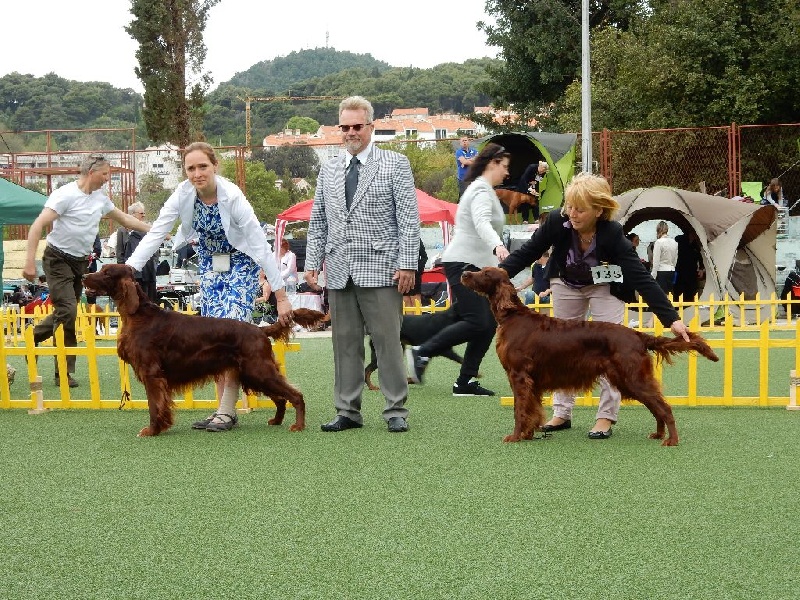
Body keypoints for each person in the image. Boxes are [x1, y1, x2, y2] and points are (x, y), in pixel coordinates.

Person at [499, 172, 691, 439]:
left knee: (612, 351)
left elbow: (641, 277)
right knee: (560, 349)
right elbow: (527, 253)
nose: (572, 214)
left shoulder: (612, 233)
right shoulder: (557, 221)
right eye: (569, 207)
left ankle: (605, 417)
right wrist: (497, 274)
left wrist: (672, 319)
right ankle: (561, 413)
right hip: (566, 283)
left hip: (604, 286)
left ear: (599, 210)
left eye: (580, 209)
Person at [125, 141, 292, 432]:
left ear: (214, 166)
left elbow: (259, 245)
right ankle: (222, 412)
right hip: (210, 268)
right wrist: (130, 268)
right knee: (214, 339)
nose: (197, 173)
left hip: (240, 264)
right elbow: (157, 233)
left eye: (203, 166)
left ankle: (227, 412)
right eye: (191, 168)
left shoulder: (232, 196)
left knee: (233, 332)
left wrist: (280, 295)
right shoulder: (183, 194)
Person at [304, 95, 420, 433]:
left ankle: (395, 408)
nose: (351, 132)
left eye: (357, 126)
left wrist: (407, 264)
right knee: (344, 345)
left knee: (388, 343)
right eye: (345, 127)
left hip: (384, 269)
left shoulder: (395, 163)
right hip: (339, 269)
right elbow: (319, 220)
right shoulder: (328, 168)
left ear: (371, 126)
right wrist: (312, 262)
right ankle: (347, 411)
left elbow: (409, 220)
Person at [22, 153, 150, 388]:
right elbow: (38, 225)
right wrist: (30, 262)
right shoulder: (65, 195)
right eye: (105, 174)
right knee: (68, 310)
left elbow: (127, 220)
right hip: (57, 258)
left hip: (80, 263)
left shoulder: (100, 199)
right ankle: (54, 359)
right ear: (92, 173)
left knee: (67, 312)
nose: (107, 179)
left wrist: (156, 231)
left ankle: (43, 346)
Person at [407, 143, 511, 396]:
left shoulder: (482, 190)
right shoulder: (480, 191)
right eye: (505, 166)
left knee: (485, 325)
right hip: (464, 265)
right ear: (492, 164)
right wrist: (498, 246)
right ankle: (421, 352)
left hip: (474, 265)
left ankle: (465, 381)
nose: (507, 173)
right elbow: (481, 222)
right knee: (478, 322)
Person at [117, 202, 158, 303]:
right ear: (133, 214)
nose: (144, 216)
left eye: (144, 213)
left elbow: (155, 251)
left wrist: (154, 265)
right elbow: (120, 252)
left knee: (148, 301)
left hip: (148, 272)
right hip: (131, 273)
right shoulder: (122, 231)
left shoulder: (149, 229)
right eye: (141, 213)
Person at [673, 229, 704, 303]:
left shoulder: (696, 245)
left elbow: (701, 258)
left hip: (692, 273)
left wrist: (701, 269)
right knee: (678, 292)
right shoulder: (680, 240)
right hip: (680, 271)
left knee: (691, 292)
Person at [650, 220, 679, 294]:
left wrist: (652, 277)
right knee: (670, 294)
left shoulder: (658, 242)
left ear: (658, 230)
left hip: (661, 271)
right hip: (671, 270)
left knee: (661, 295)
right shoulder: (675, 243)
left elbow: (656, 262)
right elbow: (675, 260)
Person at [404, 240, 428, 308]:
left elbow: (424, 257)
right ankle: (410, 318)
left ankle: (418, 317)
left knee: (415, 299)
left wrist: (417, 270)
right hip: (402, 273)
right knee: (405, 300)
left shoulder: (416, 238)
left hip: (415, 274)